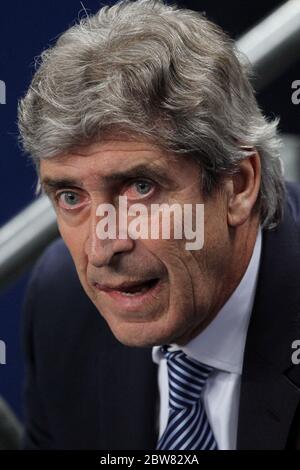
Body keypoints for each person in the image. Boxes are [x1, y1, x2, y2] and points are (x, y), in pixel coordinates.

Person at [18, 0, 300, 450]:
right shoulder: (61, 306)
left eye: (141, 188)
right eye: (71, 197)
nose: (101, 249)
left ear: (239, 185)